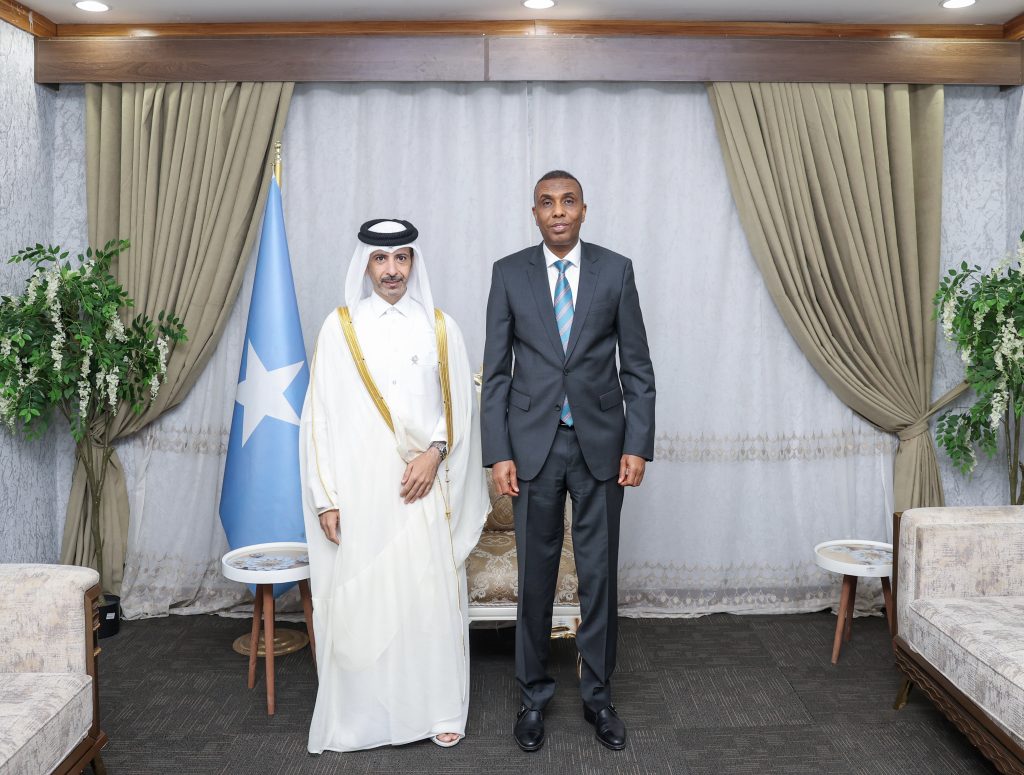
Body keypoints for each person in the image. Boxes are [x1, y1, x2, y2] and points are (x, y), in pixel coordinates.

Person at [481, 171, 656, 752]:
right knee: (536, 577)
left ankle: (598, 697)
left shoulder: (616, 270)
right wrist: (498, 452)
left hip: (600, 446)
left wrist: (637, 444)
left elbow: (637, 367)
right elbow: (497, 373)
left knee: (599, 576)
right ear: (534, 213)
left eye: (568, 201)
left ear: (584, 210)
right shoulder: (509, 273)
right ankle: (532, 697)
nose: (558, 211)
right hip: (532, 446)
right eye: (546, 203)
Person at [300, 218, 489, 753]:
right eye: (381, 259)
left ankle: (438, 708)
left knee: (427, 600)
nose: (391, 270)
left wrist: (434, 454)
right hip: (361, 495)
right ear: (365, 265)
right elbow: (318, 419)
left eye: (401, 258)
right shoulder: (339, 329)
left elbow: (460, 408)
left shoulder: (440, 328)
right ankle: (363, 717)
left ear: (413, 263)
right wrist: (326, 498)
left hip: (423, 490)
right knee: (367, 603)